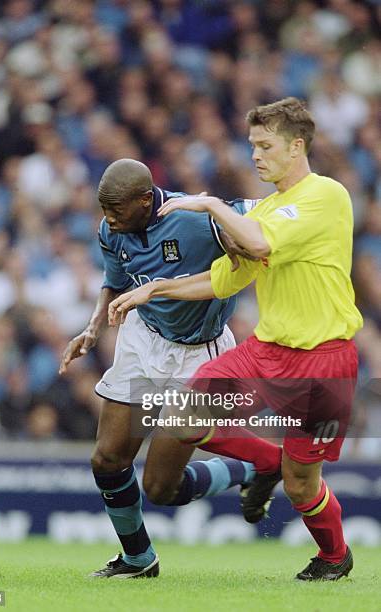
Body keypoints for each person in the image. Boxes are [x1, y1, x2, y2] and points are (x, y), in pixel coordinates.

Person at [110, 98, 363, 581]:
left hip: (323, 361)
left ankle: (335, 557)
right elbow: (222, 279)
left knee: (302, 485)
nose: (255, 155)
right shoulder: (265, 210)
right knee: (183, 417)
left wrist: (208, 204)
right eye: (252, 146)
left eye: (265, 145)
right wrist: (155, 289)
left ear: (296, 146)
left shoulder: (326, 196)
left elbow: (262, 245)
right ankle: (268, 462)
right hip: (266, 351)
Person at [59, 158, 282, 579]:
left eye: (115, 210)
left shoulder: (194, 219)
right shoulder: (112, 228)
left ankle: (253, 467)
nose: (107, 219)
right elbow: (115, 280)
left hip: (201, 351)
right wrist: (91, 329)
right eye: (103, 210)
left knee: (162, 489)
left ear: (146, 200)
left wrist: (238, 229)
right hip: (143, 338)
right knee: (107, 459)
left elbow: (266, 215)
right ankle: (138, 560)